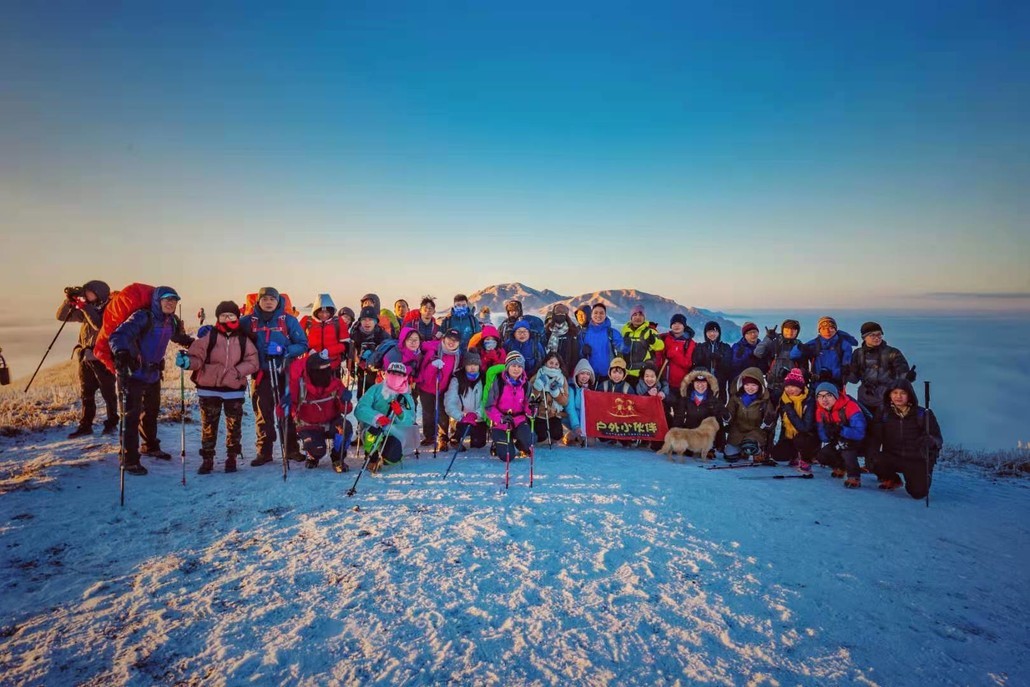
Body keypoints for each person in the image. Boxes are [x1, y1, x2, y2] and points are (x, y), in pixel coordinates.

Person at [109, 286, 191, 475]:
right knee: (130, 416)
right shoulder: (142, 317)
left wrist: (192, 343)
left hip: (153, 373)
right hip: (132, 373)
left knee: (151, 412)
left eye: (174, 300)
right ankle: (129, 459)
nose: (170, 303)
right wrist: (120, 352)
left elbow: (178, 337)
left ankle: (150, 446)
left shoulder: (171, 321)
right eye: (166, 299)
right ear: (157, 301)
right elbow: (118, 335)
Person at [177, 300, 259, 474]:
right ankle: (207, 459)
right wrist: (187, 362)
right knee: (209, 426)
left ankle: (232, 457)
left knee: (234, 426)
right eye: (223, 315)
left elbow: (253, 361)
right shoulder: (209, 336)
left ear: (237, 317)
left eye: (231, 315)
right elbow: (197, 357)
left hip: (234, 390)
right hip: (208, 389)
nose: (227, 318)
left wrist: (237, 371)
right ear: (218, 317)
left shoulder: (244, 339)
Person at [240, 286, 309, 466]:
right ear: (258, 301)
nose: (268, 302)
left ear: (278, 302)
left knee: (286, 411)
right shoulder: (248, 321)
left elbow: (303, 344)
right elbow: (229, 331)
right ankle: (264, 452)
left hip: (283, 372)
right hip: (261, 373)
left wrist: (284, 349)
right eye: (265, 299)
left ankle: (291, 449)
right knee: (263, 413)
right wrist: (210, 330)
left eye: (272, 299)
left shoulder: (288, 321)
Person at [57, 280, 119, 438]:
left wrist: (84, 307)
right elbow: (61, 316)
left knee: (108, 394)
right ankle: (86, 425)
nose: (86, 295)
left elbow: (99, 325)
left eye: (89, 292)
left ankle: (112, 424)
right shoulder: (88, 309)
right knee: (86, 394)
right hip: (86, 357)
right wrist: (69, 301)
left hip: (103, 358)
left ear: (99, 294)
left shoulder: (110, 309)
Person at [866, 379, 942, 498]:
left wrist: (930, 440)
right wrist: (870, 455)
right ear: (889, 395)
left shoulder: (923, 414)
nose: (898, 397)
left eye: (903, 393)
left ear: (910, 395)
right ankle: (893, 479)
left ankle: (923, 475)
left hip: (916, 459)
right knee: (874, 461)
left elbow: (937, 438)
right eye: (895, 393)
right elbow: (875, 436)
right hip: (893, 456)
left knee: (918, 493)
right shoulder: (883, 413)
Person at [289, 350, 354, 471]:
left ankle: (338, 457)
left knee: (345, 427)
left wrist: (344, 401)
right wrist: (284, 407)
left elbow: (347, 410)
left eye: (328, 368)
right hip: (309, 425)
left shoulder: (336, 384)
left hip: (331, 422)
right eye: (322, 369)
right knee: (317, 450)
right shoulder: (300, 386)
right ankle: (313, 456)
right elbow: (289, 408)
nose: (326, 372)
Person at [353, 361, 417, 470]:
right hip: (372, 429)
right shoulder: (375, 389)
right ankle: (371, 457)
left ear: (405, 377)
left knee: (392, 457)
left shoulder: (406, 396)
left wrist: (401, 414)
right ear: (386, 374)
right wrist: (376, 417)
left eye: (400, 375)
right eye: (393, 373)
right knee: (373, 433)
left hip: (394, 432)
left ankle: (387, 456)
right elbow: (360, 409)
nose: (396, 377)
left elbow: (411, 420)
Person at [849, 321, 913, 415]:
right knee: (866, 423)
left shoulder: (893, 353)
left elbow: (902, 375)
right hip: (864, 400)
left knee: (886, 423)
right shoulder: (858, 353)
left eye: (879, 334)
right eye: (872, 335)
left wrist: (907, 376)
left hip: (886, 399)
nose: (877, 338)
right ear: (864, 337)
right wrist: (848, 371)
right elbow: (854, 379)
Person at [415, 328, 463, 450]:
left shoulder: (457, 356)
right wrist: (433, 365)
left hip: (443, 388)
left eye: (455, 340)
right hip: (426, 387)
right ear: (444, 338)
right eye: (449, 339)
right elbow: (425, 376)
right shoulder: (433, 351)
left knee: (443, 413)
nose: (452, 342)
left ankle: (443, 438)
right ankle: (430, 436)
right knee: (428, 412)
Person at [814, 382, 867, 488]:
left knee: (846, 448)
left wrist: (840, 429)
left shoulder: (850, 406)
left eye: (829, 395)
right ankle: (840, 467)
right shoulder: (820, 411)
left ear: (836, 396)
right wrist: (828, 432)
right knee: (822, 455)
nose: (824, 399)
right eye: (820, 396)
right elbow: (823, 437)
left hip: (859, 441)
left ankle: (854, 476)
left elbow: (860, 433)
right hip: (839, 439)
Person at [485, 351, 534, 462]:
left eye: (519, 366)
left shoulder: (526, 384)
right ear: (507, 367)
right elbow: (489, 406)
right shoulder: (498, 382)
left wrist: (532, 408)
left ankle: (518, 443)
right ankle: (499, 443)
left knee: (531, 440)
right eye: (513, 366)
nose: (516, 369)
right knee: (507, 457)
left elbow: (528, 406)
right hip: (501, 422)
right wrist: (501, 418)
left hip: (518, 420)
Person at [769, 368, 820, 469]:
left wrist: (789, 409)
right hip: (790, 436)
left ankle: (806, 457)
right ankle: (794, 454)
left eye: (793, 386)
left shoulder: (809, 400)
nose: (790, 389)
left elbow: (805, 427)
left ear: (801, 387)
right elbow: (781, 425)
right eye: (787, 386)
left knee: (800, 440)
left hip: (807, 436)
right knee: (777, 455)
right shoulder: (783, 399)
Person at [724, 367, 777, 461]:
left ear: (759, 386)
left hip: (755, 431)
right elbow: (730, 416)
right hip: (738, 431)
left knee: (750, 446)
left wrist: (767, 422)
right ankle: (742, 450)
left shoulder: (764, 401)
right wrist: (726, 415)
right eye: (747, 385)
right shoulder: (736, 398)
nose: (750, 388)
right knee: (730, 456)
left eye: (753, 385)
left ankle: (757, 451)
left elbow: (769, 421)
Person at [791, 316, 858, 389]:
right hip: (817, 383)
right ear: (819, 331)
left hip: (836, 384)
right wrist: (799, 348)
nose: (827, 331)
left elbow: (846, 366)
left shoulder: (844, 345)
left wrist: (838, 378)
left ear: (835, 330)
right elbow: (793, 356)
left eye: (831, 328)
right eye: (823, 329)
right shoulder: (814, 344)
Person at [673, 369, 729, 455]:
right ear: (692, 384)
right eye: (697, 383)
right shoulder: (685, 399)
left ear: (708, 384)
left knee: (716, 418)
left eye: (703, 383)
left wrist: (720, 443)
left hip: (705, 436)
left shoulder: (713, 399)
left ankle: (712, 446)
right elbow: (678, 418)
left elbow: (722, 419)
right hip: (690, 434)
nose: (700, 385)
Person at [444, 351, 488, 451]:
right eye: (469, 364)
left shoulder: (484, 379)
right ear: (465, 365)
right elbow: (449, 402)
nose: (472, 367)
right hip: (461, 418)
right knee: (462, 427)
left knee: (478, 444)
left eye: (475, 364)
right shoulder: (457, 379)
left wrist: (477, 414)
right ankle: (455, 437)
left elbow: (486, 401)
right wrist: (461, 416)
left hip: (478, 418)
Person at [299, 294, 349, 373]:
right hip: (311, 363)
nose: (324, 315)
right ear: (316, 311)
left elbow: (345, 344)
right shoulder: (307, 321)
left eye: (327, 312)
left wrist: (328, 351)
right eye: (321, 312)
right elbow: (298, 340)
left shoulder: (338, 322)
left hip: (332, 365)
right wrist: (309, 350)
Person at [755, 319, 803, 398]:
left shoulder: (799, 346)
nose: (790, 332)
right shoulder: (775, 343)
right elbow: (758, 353)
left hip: (792, 388)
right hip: (773, 386)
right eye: (787, 330)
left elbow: (803, 367)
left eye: (793, 330)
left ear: (797, 332)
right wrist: (768, 338)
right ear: (782, 330)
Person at [349, 306, 389, 398]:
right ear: (360, 321)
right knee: (361, 394)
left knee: (374, 394)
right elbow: (351, 353)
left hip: (377, 370)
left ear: (375, 321)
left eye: (370, 319)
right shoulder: (355, 334)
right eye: (364, 320)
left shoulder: (382, 335)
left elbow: (388, 351)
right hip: (360, 368)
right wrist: (353, 365)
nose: (367, 322)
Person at [530, 352, 569, 444]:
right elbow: (529, 398)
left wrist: (556, 393)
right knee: (542, 437)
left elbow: (565, 401)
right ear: (545, 363)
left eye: (556, 364)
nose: (553, 366)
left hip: (554, 414)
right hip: (539, 413)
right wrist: (537, 387)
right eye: (551, 363)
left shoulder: (561, 378)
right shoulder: (538, 375)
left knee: (557, 435)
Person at [655, 314, 696, 399]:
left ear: (684, 326)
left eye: (680, 323)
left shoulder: (689, 343)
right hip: (663, 382)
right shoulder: (664, 338)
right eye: (674, 323)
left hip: (680, 384)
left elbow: (688, 363)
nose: (677, 326)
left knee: (678, 406)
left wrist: (674, 355)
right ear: (671, 326)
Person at [578, 303, 621, 382]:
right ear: (591, 315)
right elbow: (577, 352)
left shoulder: (612, 333)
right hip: (588, 375)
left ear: (605, 315)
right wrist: (582, 351)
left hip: (608, 375)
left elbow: (622, 349)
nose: (598, 315)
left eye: (601, 313)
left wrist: (626, 345)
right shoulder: (583, 333)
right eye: (596, 313)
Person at [621, 305, 665, 380]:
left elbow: (660, 346)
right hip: (626, 372)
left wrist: (653, 341)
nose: (638, 317)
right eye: (635, 314)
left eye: (641, 315)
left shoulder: (650, 331)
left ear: (644, 318)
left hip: (642, 373)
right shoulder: (625, 330)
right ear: (631, 317)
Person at [692, 321, 733, 397]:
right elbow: (695, 364)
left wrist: (720, 358)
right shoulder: (700, 347)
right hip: (704, 383)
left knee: (720, 402)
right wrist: (703, 358)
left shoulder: (725, 347)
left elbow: (728, 366)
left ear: (719, 333)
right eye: (709, 331)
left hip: (720, 383)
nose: (712, 334)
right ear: (705, 333)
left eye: (715, 331)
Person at [563, 358, 595, 446]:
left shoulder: (591, 391)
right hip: (571, 424)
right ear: (577, 374)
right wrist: (576, 426)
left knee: (591, 443)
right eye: (582, 373)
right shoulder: (572, 389)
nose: (585, 376)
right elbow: (570, 409)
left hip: (584, 425)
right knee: (571, 441)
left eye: (587, 374)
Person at [543, 303, 580, 375]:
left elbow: (575, 354)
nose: (560, 315)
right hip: (548, 369)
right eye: (558, 312)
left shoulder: (572, 331)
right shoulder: (547, 330)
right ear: (554, 314)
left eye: (563, 313)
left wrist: (571, 370)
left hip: (565, 370)